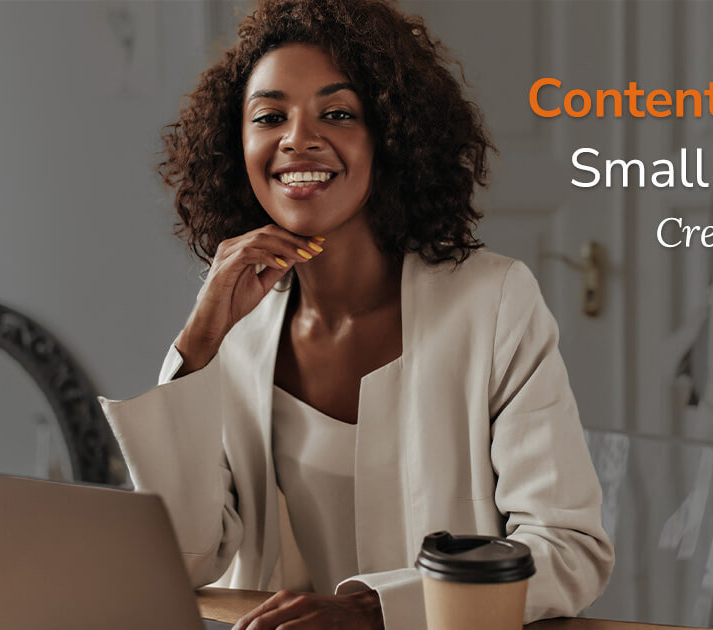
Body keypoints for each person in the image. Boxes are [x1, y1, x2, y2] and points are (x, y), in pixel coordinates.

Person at [97, 0, 614, 629]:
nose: (297, 139)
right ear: (239, 146)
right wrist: (198, 343)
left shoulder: (494, 302)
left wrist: (375, 611)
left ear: (390, 136)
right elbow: (184, 558)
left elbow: (569, 551)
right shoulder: (234, 324)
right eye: (269, 116)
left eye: (338, 113)